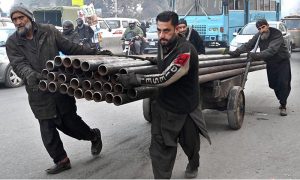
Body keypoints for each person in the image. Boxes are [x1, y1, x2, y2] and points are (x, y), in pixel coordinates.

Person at [6, 5, 111, 174]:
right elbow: (19, 64)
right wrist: (32, 76)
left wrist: (94, 52)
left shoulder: (49, 31)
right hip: (38, 92)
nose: (18, 22)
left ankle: (93, 135)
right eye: (15, 19)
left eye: (21, 18)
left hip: (59, 86)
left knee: (71, 124)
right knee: (47, 128)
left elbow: (70, 48)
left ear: (29, 17)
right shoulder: (12, 43)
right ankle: (61, 160)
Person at [118, 11, 210, 179]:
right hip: (164, 107)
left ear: (177, 29)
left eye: (166, 30)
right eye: (159, 30)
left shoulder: (186, 51)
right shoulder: (162, 44)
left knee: (191, 145)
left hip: (185, 109)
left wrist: (136, 79)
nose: (162, 35)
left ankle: (193, 162)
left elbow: (165, 78)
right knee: (159, 151)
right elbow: (163, 62)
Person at [228, 19, 291, 116]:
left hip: (282, 62)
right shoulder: (259, 36)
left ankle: (283, 105)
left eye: (263, 27)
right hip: (271, 63)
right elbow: (248, 45)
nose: (262, 30)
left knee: (283, 83)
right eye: (259, 29)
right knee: (274, 84)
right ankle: (281, 98)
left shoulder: (276, 34)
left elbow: (271, 50)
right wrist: (236, 52)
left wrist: (256, 56)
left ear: (267, 26)